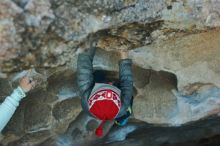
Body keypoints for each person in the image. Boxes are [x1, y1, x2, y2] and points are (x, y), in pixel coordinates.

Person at [77, 47, 133, 137]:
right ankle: (107, 85)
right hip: (111, 96)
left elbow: (84, 65)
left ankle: (100, 79)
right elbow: (127, 82)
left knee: (98, 74)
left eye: (107, 85)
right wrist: (124, 56)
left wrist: (90, 42)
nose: (110, 83)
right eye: (110, 86)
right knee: (128, 93)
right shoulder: (122, 108)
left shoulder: (86, 99)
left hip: (94, 90)